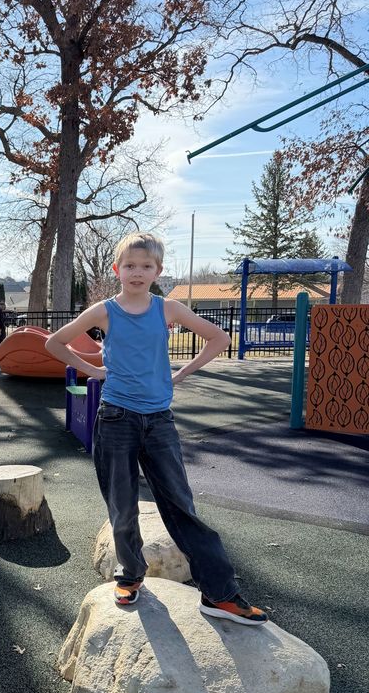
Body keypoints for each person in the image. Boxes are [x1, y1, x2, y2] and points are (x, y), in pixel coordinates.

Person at [45, 232, 268, 626]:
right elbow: (55, 343)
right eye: (130, 265)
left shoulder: (168, 308)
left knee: (180, 504)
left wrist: (181, 373)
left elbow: (219, 338)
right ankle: (130, 574)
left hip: (159, 420)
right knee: (122, 503)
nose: (137, 272)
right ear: (117, 269)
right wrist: (94, 369)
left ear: (158, 271)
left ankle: (219, 593)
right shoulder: (104, 311)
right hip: (116, 419)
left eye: (146, 266)